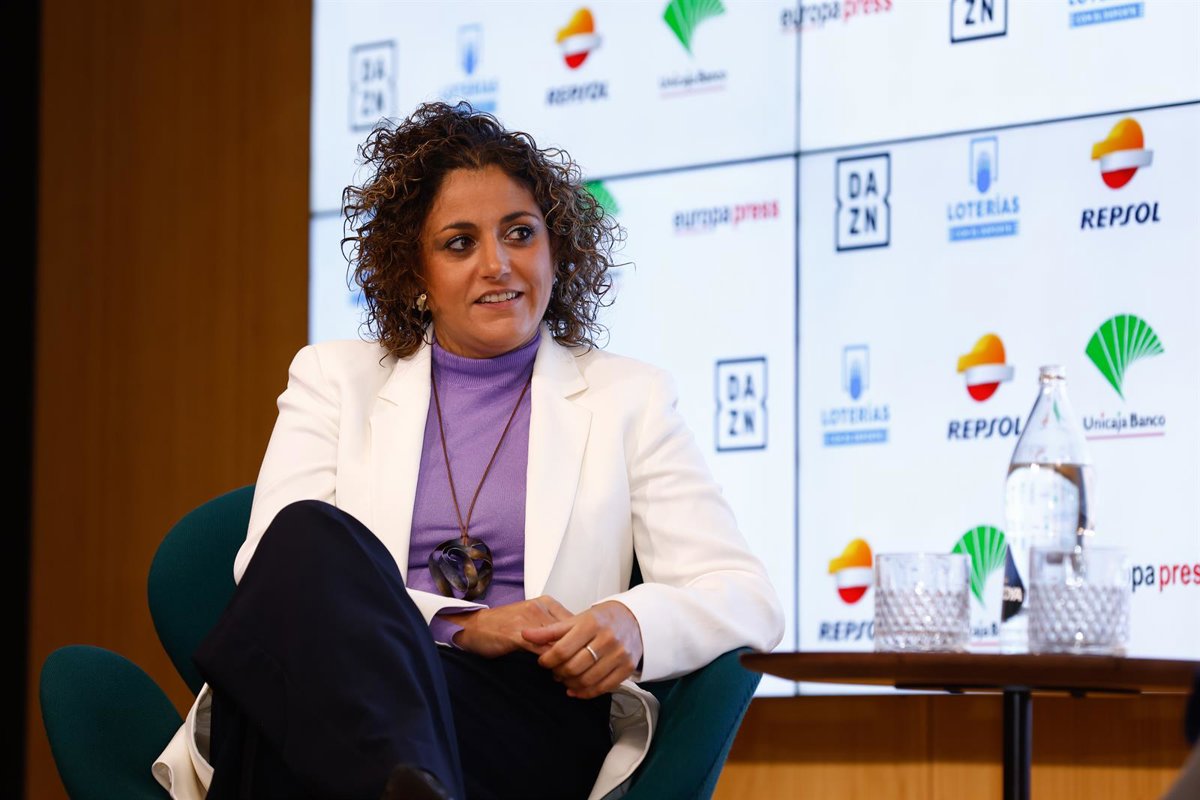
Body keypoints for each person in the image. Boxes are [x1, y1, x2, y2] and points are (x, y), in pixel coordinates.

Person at [153, 100, 784, 800]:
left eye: (521, 233)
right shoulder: (333, 379)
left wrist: (634, 622)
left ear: (556, 252)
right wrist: (460, 624)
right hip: (350, 697)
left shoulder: (629, 398)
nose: (498, 264)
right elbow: (273, 575)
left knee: (283, 751)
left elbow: (745, 595)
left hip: (523, 715)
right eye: (459, 244)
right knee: (304, 538)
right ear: (414, 275)